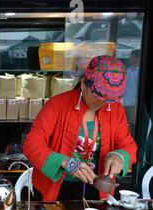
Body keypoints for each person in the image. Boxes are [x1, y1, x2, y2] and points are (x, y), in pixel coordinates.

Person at [23, 55, 137, 201]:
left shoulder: (115, 109)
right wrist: (66, 163)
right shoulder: (57, 105)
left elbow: (128, 146)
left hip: (96, 188)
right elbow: (32, 145)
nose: (101, 102)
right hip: (57, 187)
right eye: (98, 95)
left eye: (107, 98)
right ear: (83, 83)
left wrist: (119, 156)